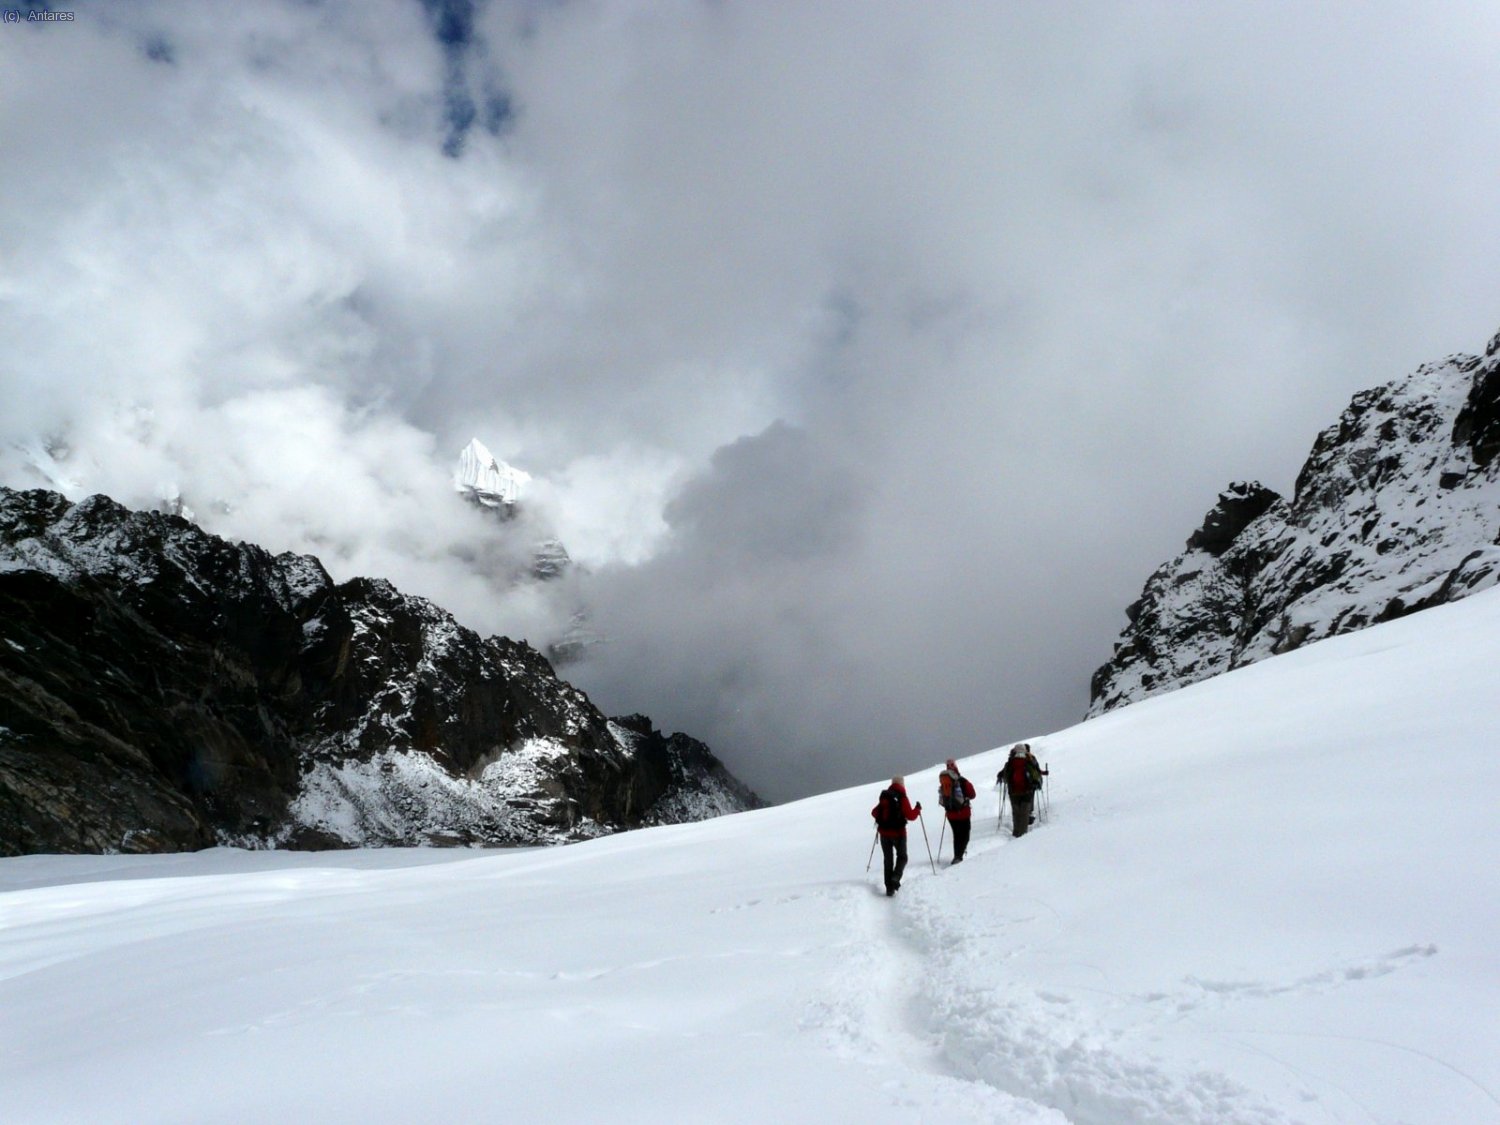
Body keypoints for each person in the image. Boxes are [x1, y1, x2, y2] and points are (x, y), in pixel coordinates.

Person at [870, 776, 921, 896]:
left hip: (884, 834)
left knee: (888, 860)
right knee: (902, 857)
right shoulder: (902, 797)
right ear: (902, 784)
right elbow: (911, 816)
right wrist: (917, 809)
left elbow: (874, 812)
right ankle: (896, 878)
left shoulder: (885, 796)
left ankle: (889, 888)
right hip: (899, 834)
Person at [998, 743, 1046, 838]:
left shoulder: (1010, 762)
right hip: (1027, 791)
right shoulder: (1028, 761)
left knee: (1016, 813)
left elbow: (1005, 775)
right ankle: (1022, 835)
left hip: (1013, 792)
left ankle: (1016, 832)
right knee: (1025, 813)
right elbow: (1035, 774)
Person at [937, 758, 976, 864]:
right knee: (965, 835)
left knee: (957, 835)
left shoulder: (944, 781)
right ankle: (958, 857)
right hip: (963, 813)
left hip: (950, 814)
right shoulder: (962, 781)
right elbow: (972, 794)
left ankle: (957, 856)